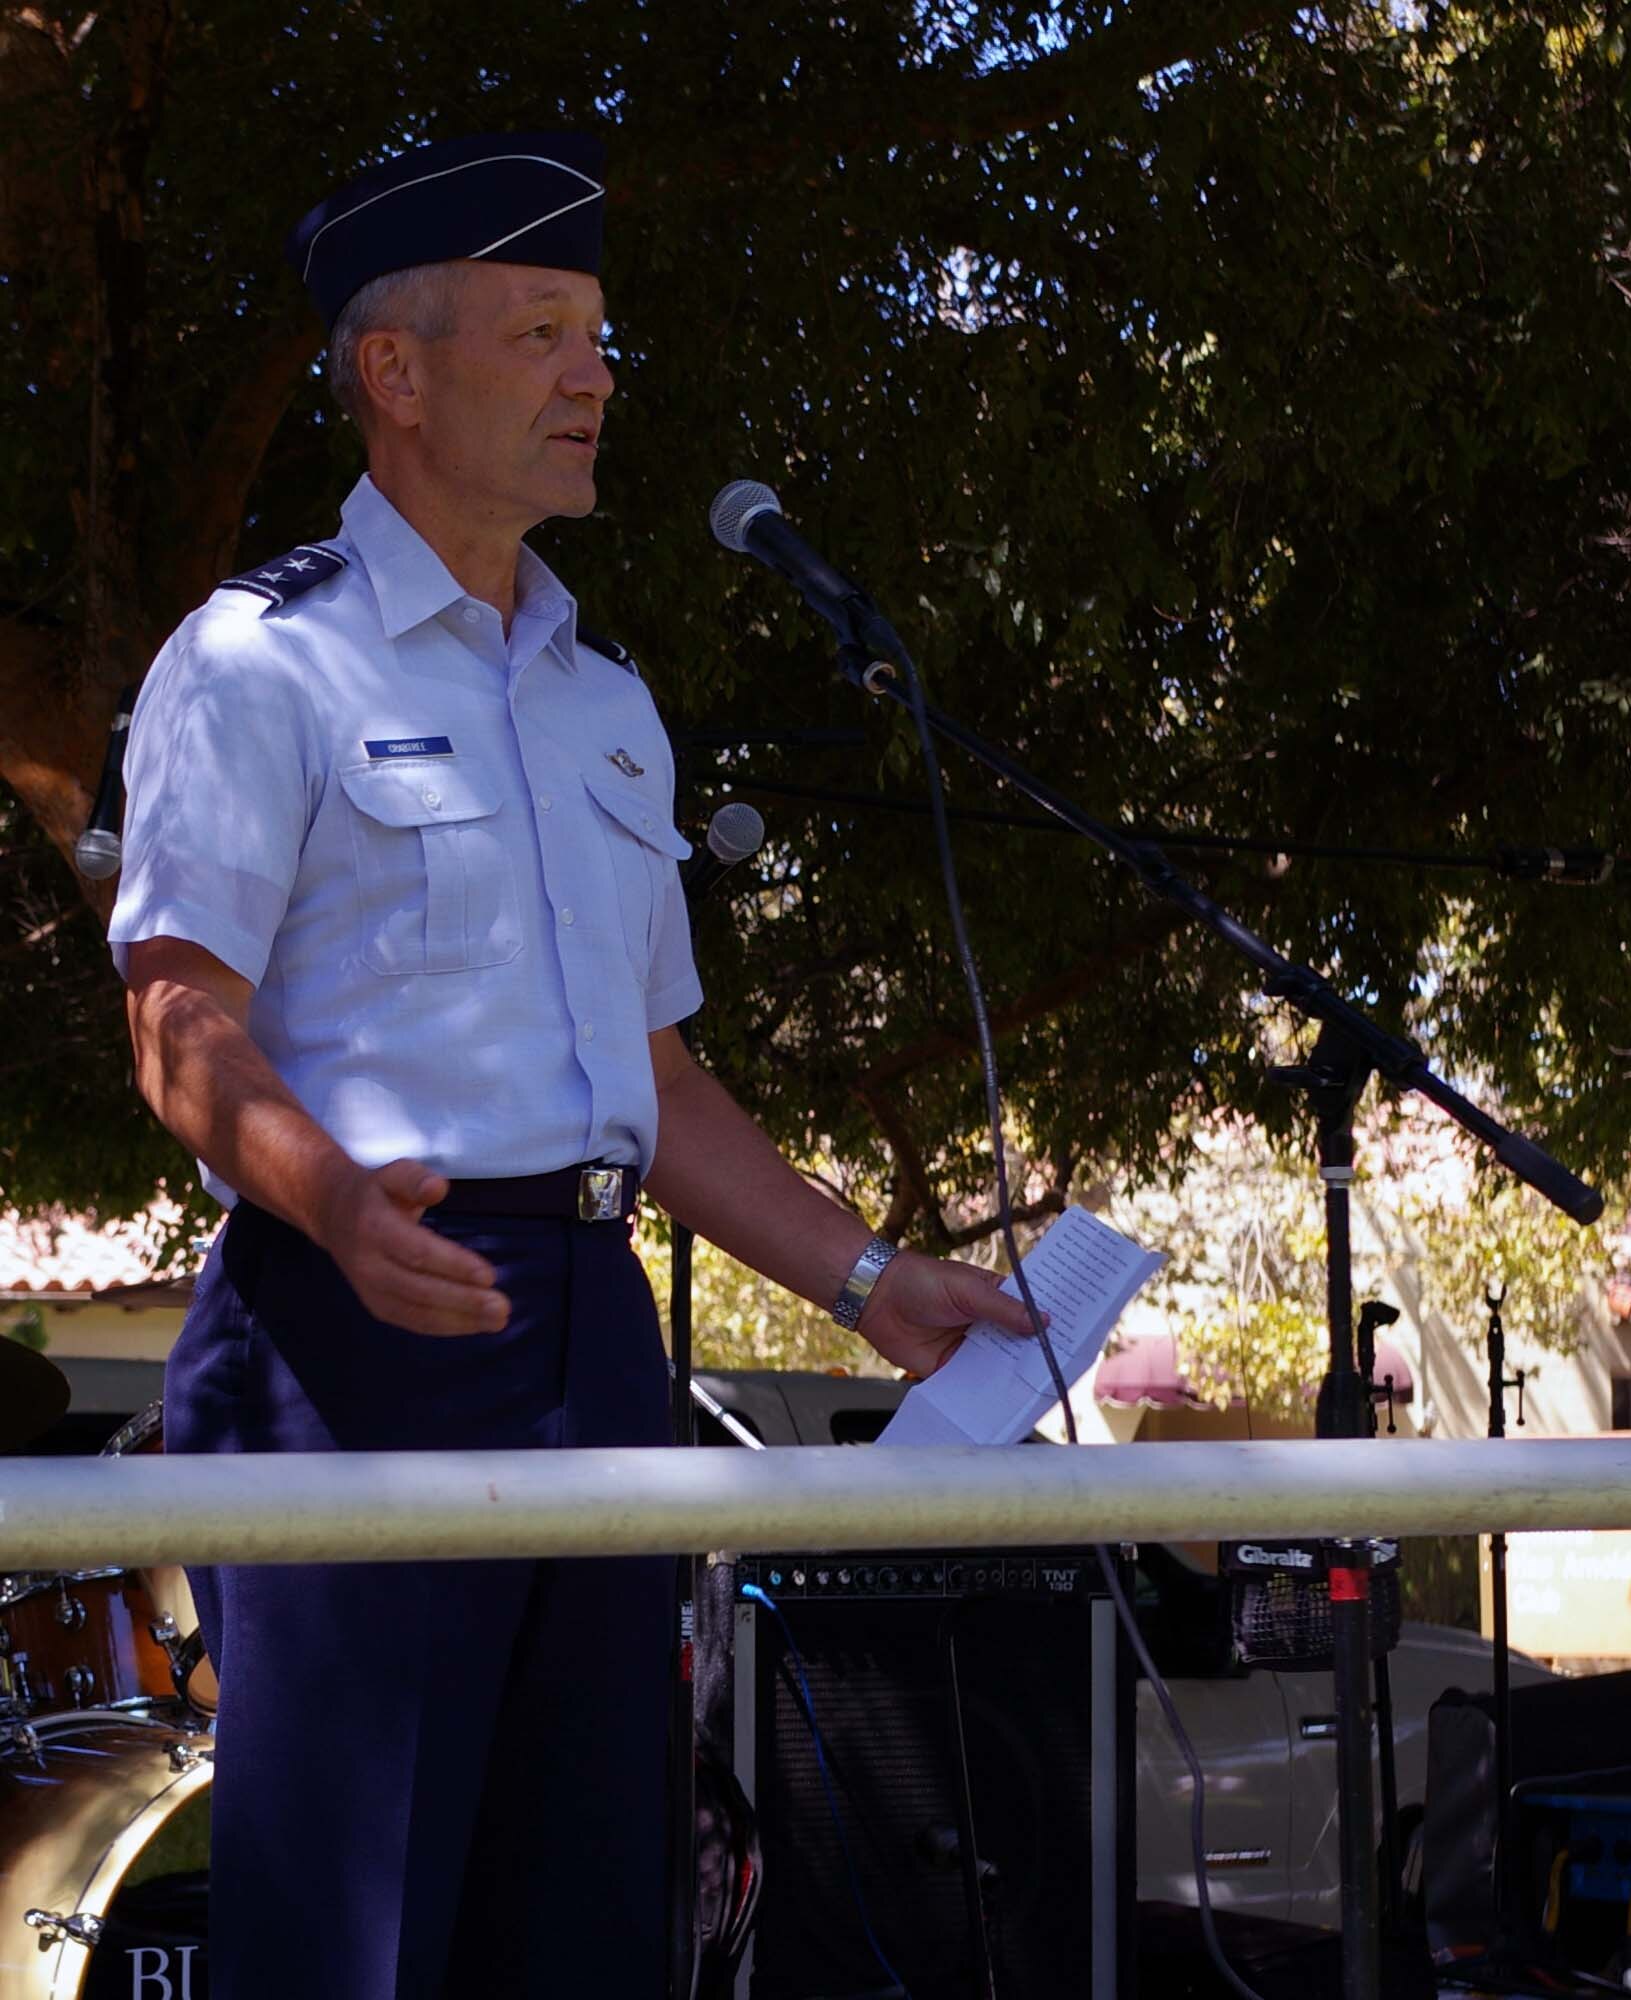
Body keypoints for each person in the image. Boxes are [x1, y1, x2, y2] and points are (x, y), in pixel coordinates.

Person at [110, 132, 1035, 2000]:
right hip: (360, 1318)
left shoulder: (607, 703)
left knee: (595, 1908)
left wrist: (868, 1283)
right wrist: (331, 1198)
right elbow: (174, 1010)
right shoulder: (257, 661)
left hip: (591, 1329)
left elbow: (657, 1080)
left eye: (597, 338)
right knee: (359, 1929)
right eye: (541, 333)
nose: (593, 380)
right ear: (394, 371)